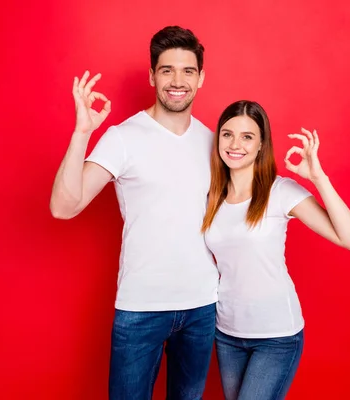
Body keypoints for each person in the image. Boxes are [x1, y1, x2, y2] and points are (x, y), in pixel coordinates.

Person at [49, 26, 219, 400]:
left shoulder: (213, 141)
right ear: (152, 75)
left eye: (188, 71)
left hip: (203, 306)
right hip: (141, 307)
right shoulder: (123, 137)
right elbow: (63, 207)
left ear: (201, 77)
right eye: (167, 70)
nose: (177, 81)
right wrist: (82, 133)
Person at [201, 100, 350, 400]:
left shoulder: (279, 192)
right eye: (227, 134)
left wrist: (318, 177)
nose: (235, 144)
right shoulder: (212, 196)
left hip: (275, 335)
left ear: (261, 144)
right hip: (226, 332)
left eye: (247, 136)